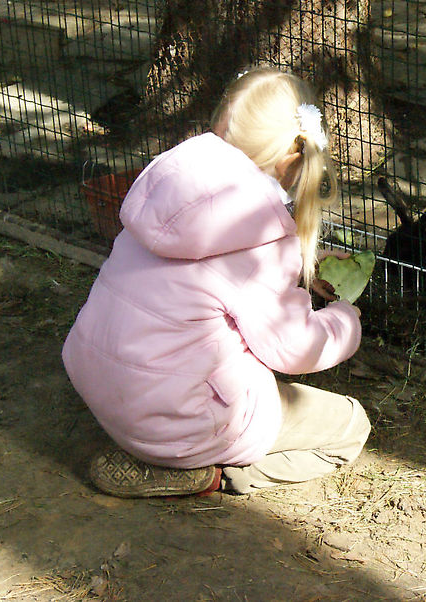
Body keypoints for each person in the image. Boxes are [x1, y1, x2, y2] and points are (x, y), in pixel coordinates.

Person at [62, 67, 370, 497]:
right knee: (351, 425)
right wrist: (345, 321)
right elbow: (294, 347)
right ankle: (207, 473)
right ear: (292, 158)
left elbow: (205, 273)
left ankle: (166, 447)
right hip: (172, 417)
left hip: (98, 383)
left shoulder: (175, 182)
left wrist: (305, 264)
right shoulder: (262, 231)